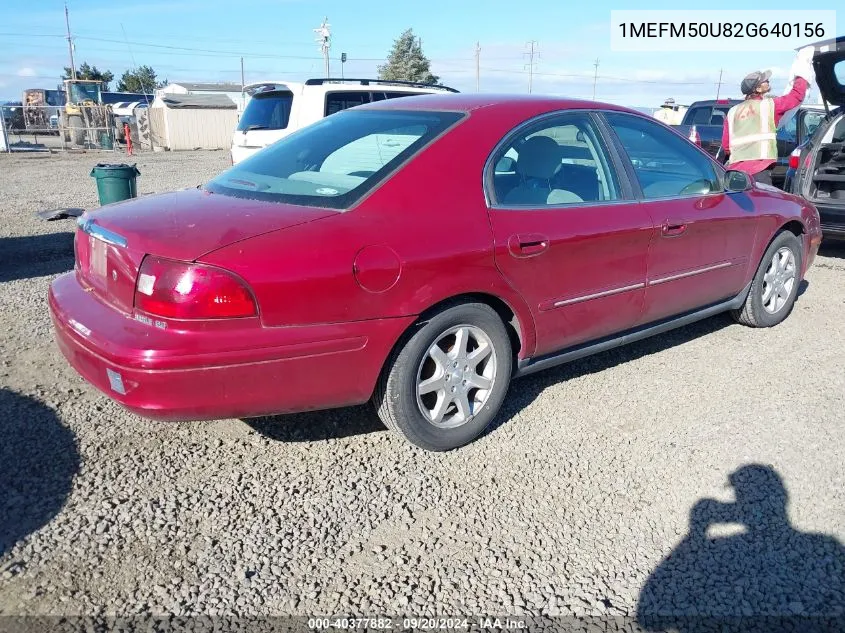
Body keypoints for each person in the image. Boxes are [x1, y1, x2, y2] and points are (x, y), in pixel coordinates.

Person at [721, 47, 815, 186]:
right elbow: (796, 96)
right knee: (764, 206)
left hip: (736, 172)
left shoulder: (733, 111)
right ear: (758, 89)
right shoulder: (769, 106)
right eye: (765, 81)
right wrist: (801, 73)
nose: (768, 81)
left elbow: (726, 146)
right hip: (759, 170)